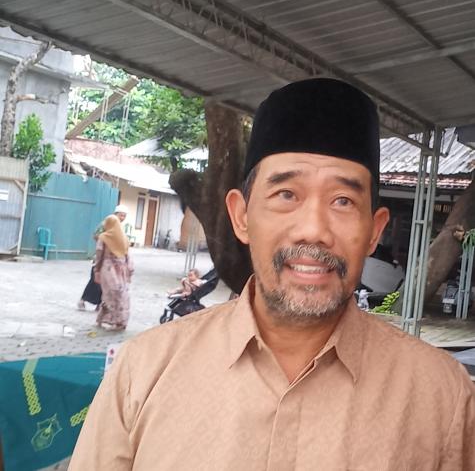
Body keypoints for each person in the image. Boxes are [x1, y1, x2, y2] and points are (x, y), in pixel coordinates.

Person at [70, 79, 474, 470]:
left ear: (374, 230)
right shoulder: (144, 371)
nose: (313, 229)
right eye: (286, 194)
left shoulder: (442, 397)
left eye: (343, 200)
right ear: (241, 216)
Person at [77, 204, 129, 311]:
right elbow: (96, 236)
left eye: (124, 216)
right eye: (121, 215)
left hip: (113, 260)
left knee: (107, 283)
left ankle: (100, 304)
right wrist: (106, 242)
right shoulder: (106, 224)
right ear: (115, 214)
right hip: (102, 257)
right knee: (95, 281)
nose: (122, 218)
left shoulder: (120, 228)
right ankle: (83, 300)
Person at [94, 214, 134, 331]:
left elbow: (99, 255)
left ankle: (116, 322)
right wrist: (129, 271)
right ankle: (114, 320)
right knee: (120, 295)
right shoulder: (124, 238)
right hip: (121, 270)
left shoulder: (103, 237)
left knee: (109, 295)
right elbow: (128, 256)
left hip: (108, 270)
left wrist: (96, 269)